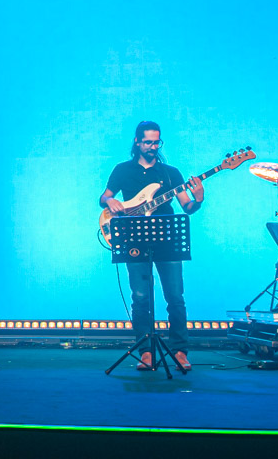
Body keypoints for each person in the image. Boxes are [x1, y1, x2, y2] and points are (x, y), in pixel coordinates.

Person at [99, 120, 204, 371]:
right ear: (137, 142)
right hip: (134, 239)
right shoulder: (122, 170)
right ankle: (145, 352)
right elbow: (104, 197)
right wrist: (110, 201)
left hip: (167, 239)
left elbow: (187, 207)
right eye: (148, 142)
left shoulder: (170, 173)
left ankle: (180, 351)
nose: (153, 147)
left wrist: (198, 199)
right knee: (140, 297)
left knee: (175, 296)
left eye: (157, 142)